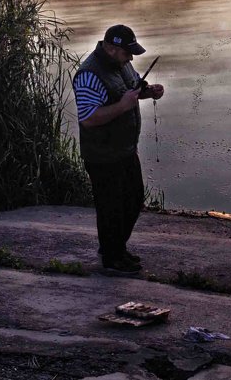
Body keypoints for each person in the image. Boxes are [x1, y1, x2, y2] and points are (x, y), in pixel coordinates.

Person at [73, 24, 164, 276]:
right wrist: (124, 106)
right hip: (102, 154)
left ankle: (115, 248)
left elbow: (131, 91)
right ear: (111, 49)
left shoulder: (121, 64)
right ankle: (112, 257)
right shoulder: (89, 75)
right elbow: (89, 118)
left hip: (124, 149)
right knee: (111, 207)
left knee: (133, 200)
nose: (131, 58)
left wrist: (149, 92)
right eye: (127, 53)